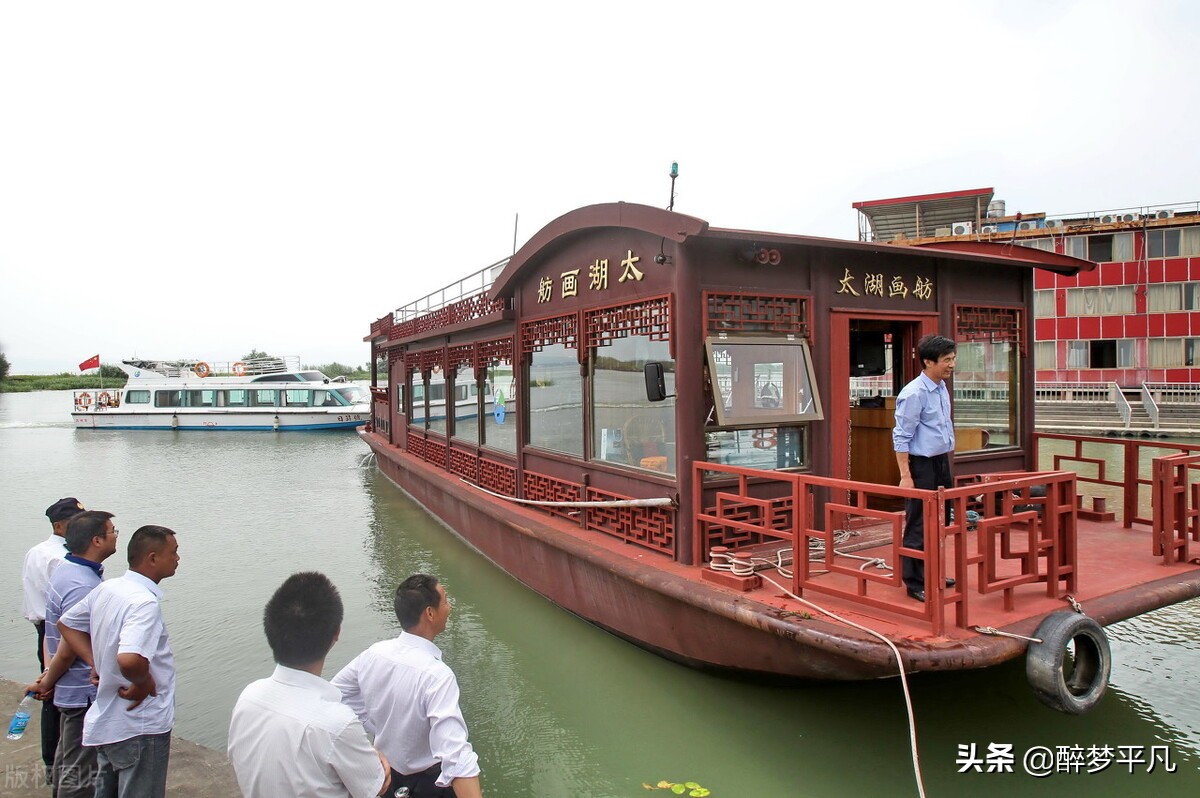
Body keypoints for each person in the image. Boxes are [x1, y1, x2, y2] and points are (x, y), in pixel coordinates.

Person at [228, 572, 391, 798]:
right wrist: (376, 759)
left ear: (271, 628)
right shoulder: (338, 724)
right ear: (336, 633)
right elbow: (376, 786)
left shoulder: (248, 698)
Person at [333, 575, 483, 798]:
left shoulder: (373, 654)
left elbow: (334, 696)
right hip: (430, 785)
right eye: (445, 602)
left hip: (384, 779)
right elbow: (455, 755)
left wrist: (370, 737)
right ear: (430, 613)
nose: (449, 608)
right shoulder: (437, 675)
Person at [58, 525, 181, 798]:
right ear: (152, 558)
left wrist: (96, 662)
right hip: (140, 726)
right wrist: (144, 681)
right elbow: (129, 659)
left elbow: (67, 624)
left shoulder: (110, 588)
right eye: (173, 552)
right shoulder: (143, 603)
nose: (177, 558)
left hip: (107, 721)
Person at [27, 510, 119, 798]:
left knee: (70, 763)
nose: (117, 535)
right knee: (81, 774)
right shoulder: (83, 585)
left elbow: (50, 629)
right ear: (96, 540)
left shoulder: (67, 570)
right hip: (82, 690)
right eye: (113, 531)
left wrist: (47, 673)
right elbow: (68, 644)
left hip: (71, 688)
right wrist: (50, 680)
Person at [892, 334, 958, 602]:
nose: (951, 365)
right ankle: (914, 581)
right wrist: (905, 476)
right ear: (928, 362)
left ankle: (933, 573)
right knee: (919, 522)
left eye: (953, 359)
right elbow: (901, 437)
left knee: (942, 518)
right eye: (946, 360)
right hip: (921, 464)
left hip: (941, 460)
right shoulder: (913, 393)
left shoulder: (941, 386)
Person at [22, 496, 85, 776]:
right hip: (60, 630)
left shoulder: (36, 551)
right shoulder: (61, 559)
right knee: (56, 693)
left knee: (52, 692)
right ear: (59, 526)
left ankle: (53, 760)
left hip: (44, 628)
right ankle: (57, 762)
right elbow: (65, 606)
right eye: (75, 522)